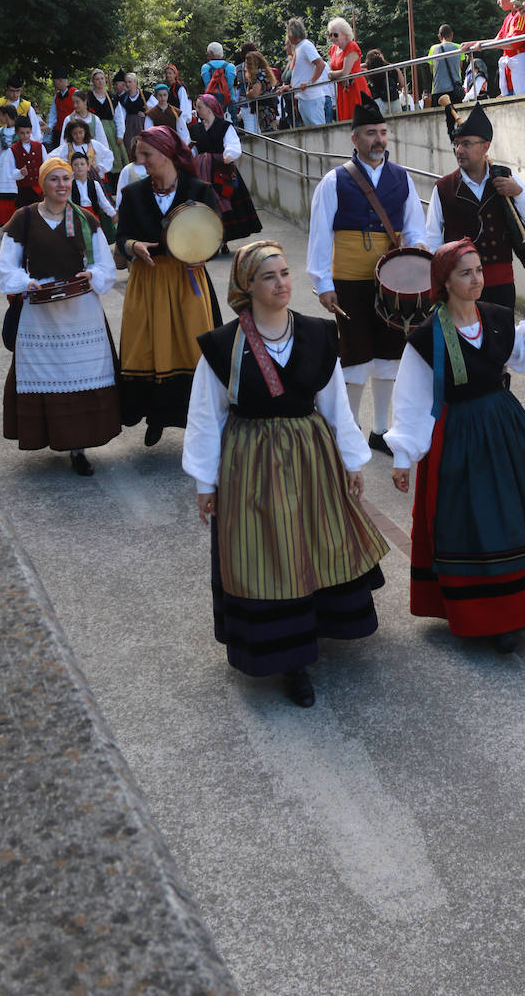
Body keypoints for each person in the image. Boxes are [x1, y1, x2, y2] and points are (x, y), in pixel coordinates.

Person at [182, 241, 389, 707]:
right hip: (250, 462)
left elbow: (335, 403)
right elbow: (206, 417)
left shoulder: (317, 333)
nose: (281, 283)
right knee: (268, 551)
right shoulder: (223, 347)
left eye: (284, 273)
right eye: (269, 276)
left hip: (311, 455)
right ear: (247, 286)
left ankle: (322, 625)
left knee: (315, 540)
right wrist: (204, 483)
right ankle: (291, 659)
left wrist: (352, 461)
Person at [387, 239, 525, 652]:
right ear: (443, 282)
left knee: (515, 515)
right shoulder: (426, 337)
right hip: (459, 438)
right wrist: (403, 455)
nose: (477, 279)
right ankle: (490, 615)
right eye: (465, 273)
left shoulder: (498, 318)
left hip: (504, 428)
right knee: (476, 520)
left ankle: (521, 601)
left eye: (479, 270)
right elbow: (411, 400)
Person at [307, 100, 427, 450]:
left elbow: (416, 231)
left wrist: (417, 267)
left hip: (394, 283)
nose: (379, 140)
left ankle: (380, 431)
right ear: (354, 138)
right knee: (355, 356)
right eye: (371, 133)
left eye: (383, 133)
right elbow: (320, 235)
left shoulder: (401, 178)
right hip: (348, 281)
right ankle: (349, 428)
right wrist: (323, 284)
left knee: (390, 356)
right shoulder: (334, 181)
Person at [0, 156, 121, 476]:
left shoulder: (86, 219)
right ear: (42, 184)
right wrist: (27, 283)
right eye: (55, 179)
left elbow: (105, 267)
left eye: (66, 179)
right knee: (47, 375)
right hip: (40, 313)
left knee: (78, 376)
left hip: (81, 310)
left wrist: (91, 276)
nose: (62, 185)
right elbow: (7, 267)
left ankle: (79, 448)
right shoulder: (23, 220)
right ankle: (52, 436)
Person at [115, 126, 223, 447]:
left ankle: (198, 421)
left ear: (166, 153)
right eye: (139, 156)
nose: (141, 162)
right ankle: (156, 417)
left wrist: (204, 255)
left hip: (186, 281)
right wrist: (134, 246)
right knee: (149, 348)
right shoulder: (133, 193)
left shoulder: (199, 189)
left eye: (147, 155)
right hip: (148, 281)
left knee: (194, 350)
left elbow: (215, 235)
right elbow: (121, 238)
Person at [425, 102, 525, 310]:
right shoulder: (443, 187)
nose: (459, 150)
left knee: (501, 341)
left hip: (502, 285)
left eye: (466, 144)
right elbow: (433, 239)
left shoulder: (506, 179)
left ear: (485, 146)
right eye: (457, 144)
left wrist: (518, 192)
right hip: (460, 287)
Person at [189, 94, 262, 253]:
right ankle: (209, 241)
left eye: (199, 107)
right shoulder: (195, 129)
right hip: (201, 171)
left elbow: (233, 145)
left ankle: (223, 241)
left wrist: (228, 155)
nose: (197, 110)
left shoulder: (224, 126)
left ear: (209, 109)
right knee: (204, 205)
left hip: (220, 170)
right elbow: (193, 149)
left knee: (223, 203)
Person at [464, 0, 525, 97]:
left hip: (520, 70)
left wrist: (480, 45)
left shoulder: (521, 15)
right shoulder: (508, 18)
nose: (498, 2)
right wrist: (472, 44)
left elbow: (513, 44)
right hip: (510, 73)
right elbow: (497, 40)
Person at [0, 114, 45, 211]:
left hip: (40, 189)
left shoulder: (40, 147)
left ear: (31, 130)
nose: (25, 136)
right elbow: (10, 172)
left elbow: (46, 165)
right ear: (16, 132)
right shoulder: (12, 150)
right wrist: (19, 173)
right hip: (23, 191)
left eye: (27, 132)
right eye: (22, 133)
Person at [327, 17, 371, 122]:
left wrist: (330, 74)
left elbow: (345, 72)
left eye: (335, 34)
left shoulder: (351, 46)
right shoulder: (334, 49)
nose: (332, 37)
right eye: (330, 34)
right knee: (344, 121)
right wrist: (332, 74)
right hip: (342, 89)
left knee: (358, 120)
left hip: (355, 87)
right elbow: (339, 72)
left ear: (345, 34)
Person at [86, 69, 128, 181]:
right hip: (94, 131)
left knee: (115, 158)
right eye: (97, 79)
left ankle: (116, 186)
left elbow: (119, 117)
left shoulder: (112, 97)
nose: (100, 81)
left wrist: (120, 135)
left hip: (111, 131)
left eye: (102, 78)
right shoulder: (88, 98)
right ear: (93, 81)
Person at [69, 150, 117, 243]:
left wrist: (113, 213)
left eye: (82, 164)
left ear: (88, 167)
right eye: (76, 165)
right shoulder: (70, 185)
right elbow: (68, 204)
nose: (79, 167)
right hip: (78, 216)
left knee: (97, 240)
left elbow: (103, 202)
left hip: (93, 216)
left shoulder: (95, 184)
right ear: (71, 168)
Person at [51, 118, 113, 184]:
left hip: (92, 178)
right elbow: (51, 158)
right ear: (70, 134)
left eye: (80, 133)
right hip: (73, 180)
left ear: (85, 132)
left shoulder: (92, 144)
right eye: (75, 133)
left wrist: (99, 167)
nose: (78, 136)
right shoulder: (67, 147)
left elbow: (108, 155)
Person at [0, 78, 43, 147]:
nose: (15, 94)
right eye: (12, 91)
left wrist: (37, 144)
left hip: (22, 143)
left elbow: (35, 128)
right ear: (6, 90)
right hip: (3, 141)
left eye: (18, 91)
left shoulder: (27, 106)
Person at [0, 104, 20, 226]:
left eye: (0, 115)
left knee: (17, 192)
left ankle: (19, 221)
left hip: (17, 163)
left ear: (6, 115)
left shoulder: (20, 130)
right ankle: (6, 222)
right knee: (5, 192)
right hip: (3, 166)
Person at [427, 25, 464, 111]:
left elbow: (432, 70)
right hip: (455, 89)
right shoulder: (459, 47)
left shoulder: (433, 49)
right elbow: (460, 67)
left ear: (439, 36)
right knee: (456, 118)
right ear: (452, 34)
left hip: (437, 90)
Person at [363, 48, 406, 118]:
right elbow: (402, 84)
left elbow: (357, 67)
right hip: (394, 100)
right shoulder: (394, 68)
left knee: (381, 125)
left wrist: (367, 64)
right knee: (398, 123)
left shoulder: (371, 72)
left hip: (379, 102)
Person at [116, 71, 149, 153]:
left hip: (142, 125)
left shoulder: (145, 95)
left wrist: (145, 114)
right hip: (129, 127)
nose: (128, 84)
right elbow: (121, 115)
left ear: (135, 82)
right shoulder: (123, 98)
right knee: (130, 149)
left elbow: (155, 109)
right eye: (126, 82)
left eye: (130, 82)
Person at [45, 66, 77, 144]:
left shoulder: (75, 93)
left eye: (54, 81)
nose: (53, 84)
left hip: (73, 130)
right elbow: (53, 113)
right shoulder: (56, 96)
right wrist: (50, 126)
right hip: (59, 132)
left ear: (60, 80)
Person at [114, 134, 147, 209]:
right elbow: (120, 191)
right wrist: (119, 208)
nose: (142, 155)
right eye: (139, 152)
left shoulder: (152, 168)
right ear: (134, 152)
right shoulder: (128, 169)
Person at [201, 42, 236, 111]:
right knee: (231, 121)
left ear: (210, 53)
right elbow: (231, 84)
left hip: (211, 102)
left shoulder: (205, 67)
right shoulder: (231, 67)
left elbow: (206, 84)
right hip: (229, 101)